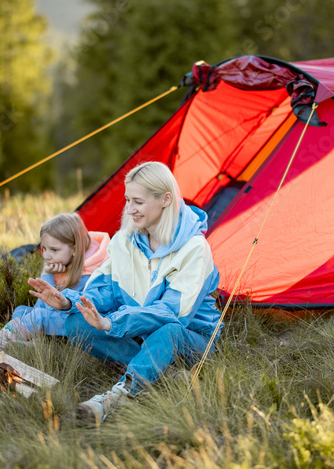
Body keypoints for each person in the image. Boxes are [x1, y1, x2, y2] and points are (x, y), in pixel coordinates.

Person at [29, 161, 220, 424]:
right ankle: (162, 374)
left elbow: (173, 314)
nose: (129, 210)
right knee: (75, 322)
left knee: (170, 332)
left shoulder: (195, 248)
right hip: (139, 333)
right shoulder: (125, 241)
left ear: (165, 199)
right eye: (127, 200)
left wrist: (112, 322)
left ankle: (115, 397)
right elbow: (104, 291)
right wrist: (67, 302)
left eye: (138, 202)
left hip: (190, 340)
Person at [0, 212, 109, 347]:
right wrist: (47, 273)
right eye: (44, 248)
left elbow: (50, 308)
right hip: (58, 320)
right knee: (21, 311)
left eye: (54, 250)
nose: (47, 255)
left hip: (78, 327)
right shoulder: (65, 264)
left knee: (38, 316)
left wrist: (47, 276)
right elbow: (39, 307)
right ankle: (31, 344)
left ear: (74, 249)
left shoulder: (87, 275)